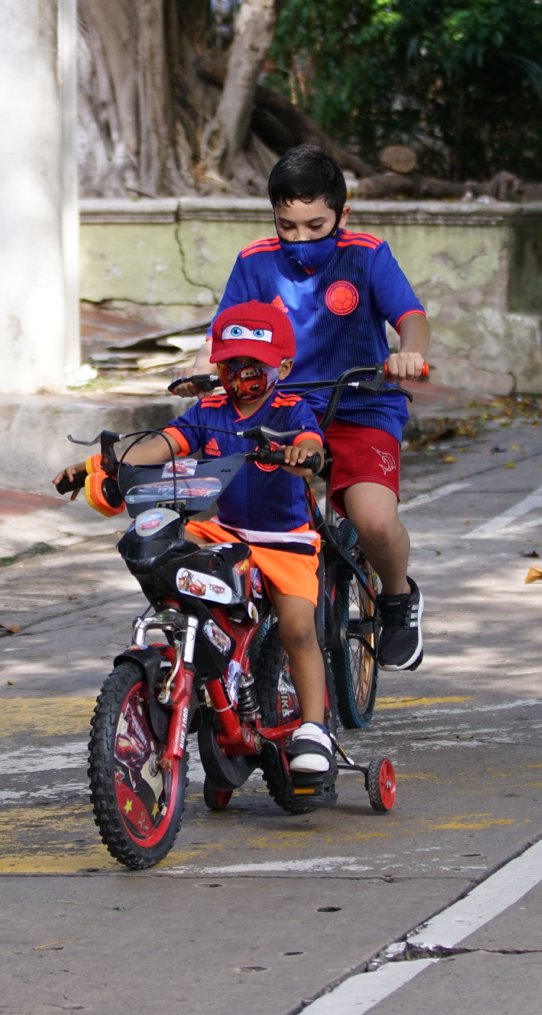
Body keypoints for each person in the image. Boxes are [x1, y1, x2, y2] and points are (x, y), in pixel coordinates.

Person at [57, 302, 343, 788]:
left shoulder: (292, 409)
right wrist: (96, 465)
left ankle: (314, 729)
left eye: (255, 366)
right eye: (231, 365)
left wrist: (301, 453)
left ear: (284, 368)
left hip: (284, 542)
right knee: (160, 543)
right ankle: (191, 654)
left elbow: (312, 448)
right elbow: (162, 444)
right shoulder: (207, 410)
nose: (241, 375)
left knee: (298, 628)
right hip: (225, 533)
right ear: (218, 368)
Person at [187, 145, 431, 670]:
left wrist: (410, 352)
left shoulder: (366, 253)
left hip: (361, 406)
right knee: (223, 513)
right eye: (287, 226)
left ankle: (396, 598)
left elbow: (411, 316)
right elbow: (224, 335)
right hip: (277, 411)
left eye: (315, 225)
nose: (300, 240)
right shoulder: (254, 262)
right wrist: (210, 373)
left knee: (374, 522)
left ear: (343, 215)